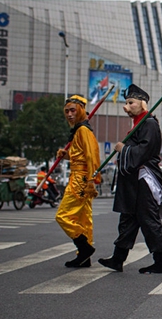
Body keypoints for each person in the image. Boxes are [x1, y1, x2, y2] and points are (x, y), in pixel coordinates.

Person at [98, 84, 162, 274]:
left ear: (142, 104)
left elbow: (144, 151)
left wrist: (123, 149)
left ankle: (161, 261)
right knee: (128, 219)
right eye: (126, 103)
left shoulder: (149, 124)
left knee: (148, 219)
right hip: (133, 181)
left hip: (144, 179)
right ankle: (118, 259)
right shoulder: (139, 124)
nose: (127, 106)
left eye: (131, 102)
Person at [55, 95, 101, 268]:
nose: (69, 114)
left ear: (81, 110)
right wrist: (66, 156)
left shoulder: (83, 130)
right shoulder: (79, 130)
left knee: (63, 216)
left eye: (73, 110)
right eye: (66, 111)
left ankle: (84, 247)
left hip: (81, 180)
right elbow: (80, 157)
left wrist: (91, 179)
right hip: (81, 176)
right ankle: (83, 256)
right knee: (84, 219)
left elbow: (91, 156)